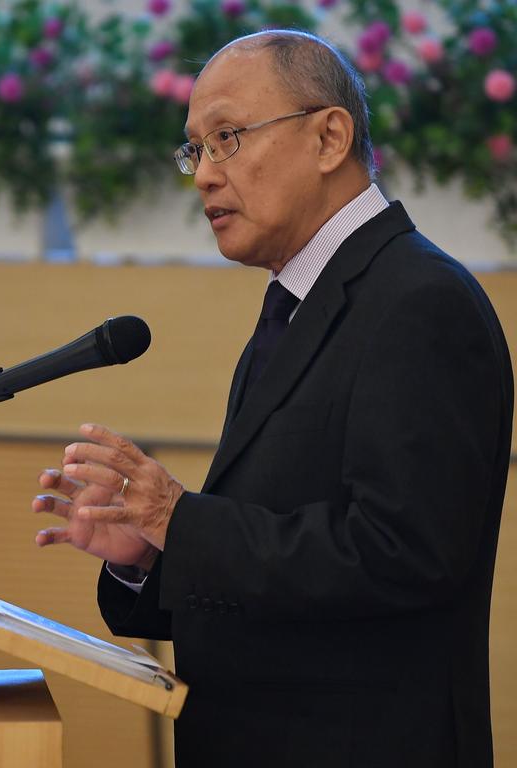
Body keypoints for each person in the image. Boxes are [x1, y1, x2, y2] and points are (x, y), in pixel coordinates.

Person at [32, 30, 512, 768]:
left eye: (226, 137)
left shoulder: (419, 302)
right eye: (194, 149)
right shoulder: (298, 301)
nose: (202, 176)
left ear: (329, 137)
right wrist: (151, 553)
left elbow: (403, 554)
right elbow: (272, 549)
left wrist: (180, 520)